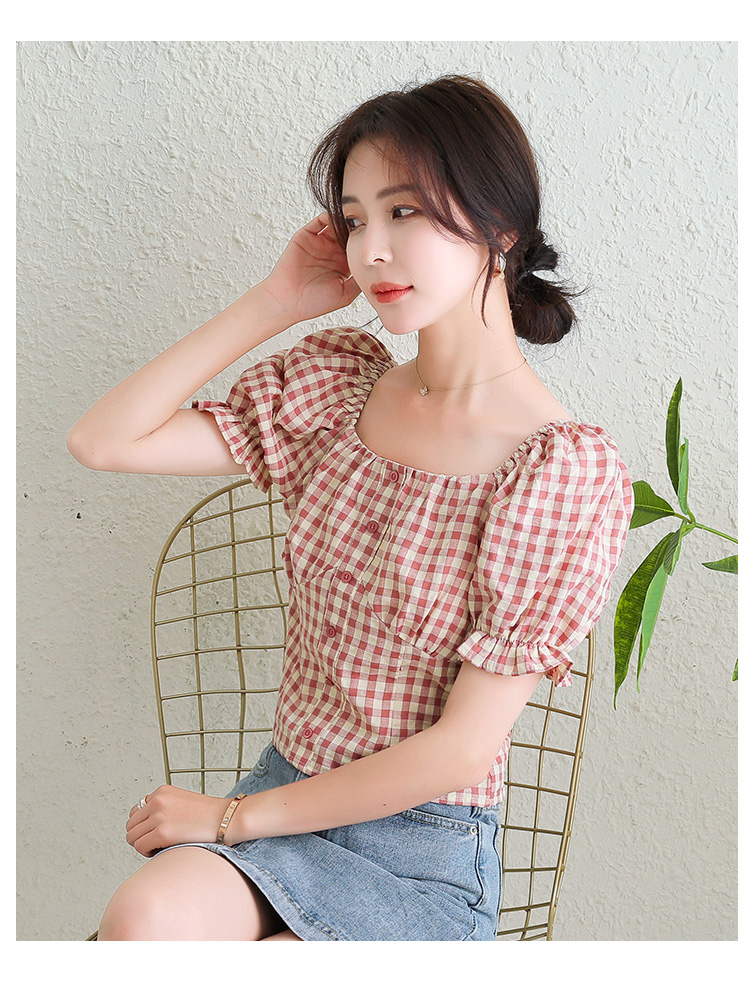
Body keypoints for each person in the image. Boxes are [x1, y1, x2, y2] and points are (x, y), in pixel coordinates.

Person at [67, 74, 634, 941]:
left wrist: (229, 818)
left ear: (501, 228)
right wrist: (276, 302)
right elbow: (104, 440)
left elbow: (461, 749)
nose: (371, 250)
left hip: (420, 855)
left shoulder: (558, 470)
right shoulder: (338, 390)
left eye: (403, 212)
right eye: (356, 218)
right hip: (279, 799)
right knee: (144, 919)